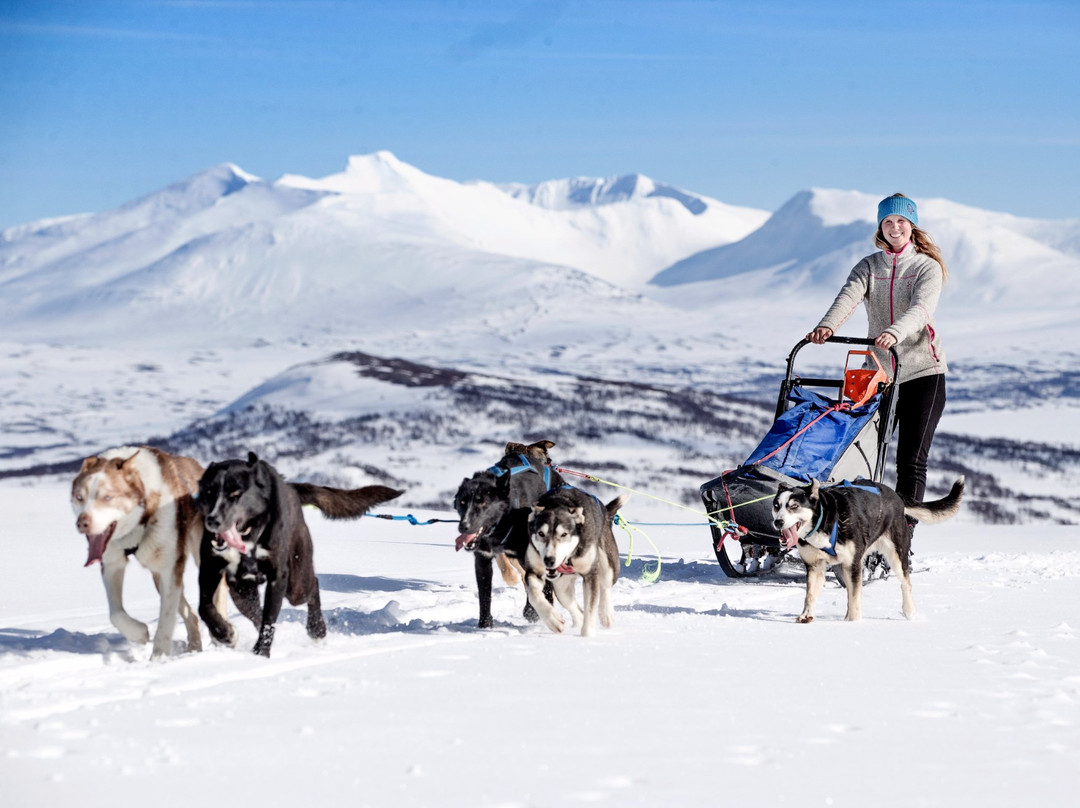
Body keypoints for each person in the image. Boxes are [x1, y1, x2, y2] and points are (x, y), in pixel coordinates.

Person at [806, 192, 948, 547]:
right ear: (880, 228)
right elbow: (848, 296)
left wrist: (894, 332)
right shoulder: (869, 266)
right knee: (864, 452)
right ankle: (855, 527)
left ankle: (903, 539)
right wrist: (827, 326)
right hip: (879, 376)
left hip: (922, 372)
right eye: (888, 222)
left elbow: (921, 310)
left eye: (901, 221)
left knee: (909, 462)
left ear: (912, 226)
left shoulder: (925, 267)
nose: (895, 227)